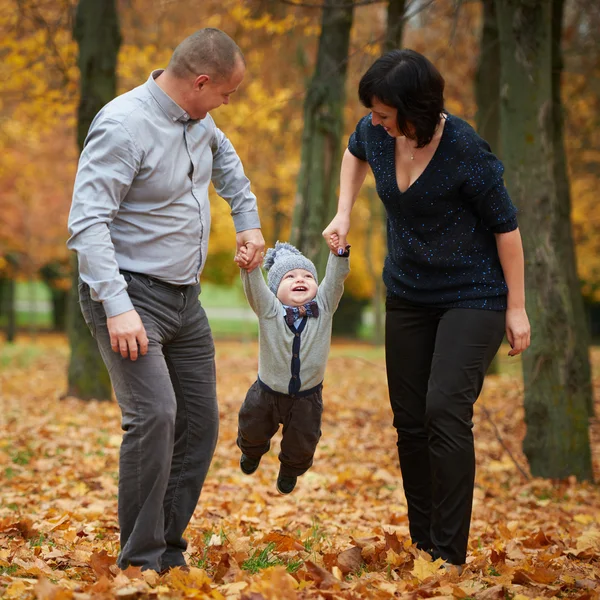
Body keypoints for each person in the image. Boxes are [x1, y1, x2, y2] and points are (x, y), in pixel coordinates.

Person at [322, 49, 531, 568]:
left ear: (414, 108)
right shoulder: (375, 132)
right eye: (372, 112)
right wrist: (343, 212)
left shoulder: (464, 149)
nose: (374, 122)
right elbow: (353, 150)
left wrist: (517, 308)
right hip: (409, 293)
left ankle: (450, 554)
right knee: (409, 421)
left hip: (473, 292)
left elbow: (507, 231)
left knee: (444, 410)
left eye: (384, 114)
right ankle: (424, 547)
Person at [67, 28, 265, 573]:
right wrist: (117, 306)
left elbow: (229, 169)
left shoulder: (201, 124)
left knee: (199, 426)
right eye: (226, 92)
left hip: (185, 301)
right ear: (201, 82)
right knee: (154, 416)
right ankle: (139, 560)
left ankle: (166, 550)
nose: (228, 103)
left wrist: (246, 223)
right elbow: (87, 224)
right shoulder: (123, 125)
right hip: (130, 297)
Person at [234, 240, 350, 494]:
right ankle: (252, 452)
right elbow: (255, 289)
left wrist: (339, 252)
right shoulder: (269, 311)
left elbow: (335, 279)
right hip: (267, 393)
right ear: (275, 289)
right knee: (252, 428)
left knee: (303, 441)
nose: (301, 279)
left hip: (307, 397)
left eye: (308, 275)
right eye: (290, 276)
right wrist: (250, 267)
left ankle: (290, 470)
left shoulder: (325, 307)